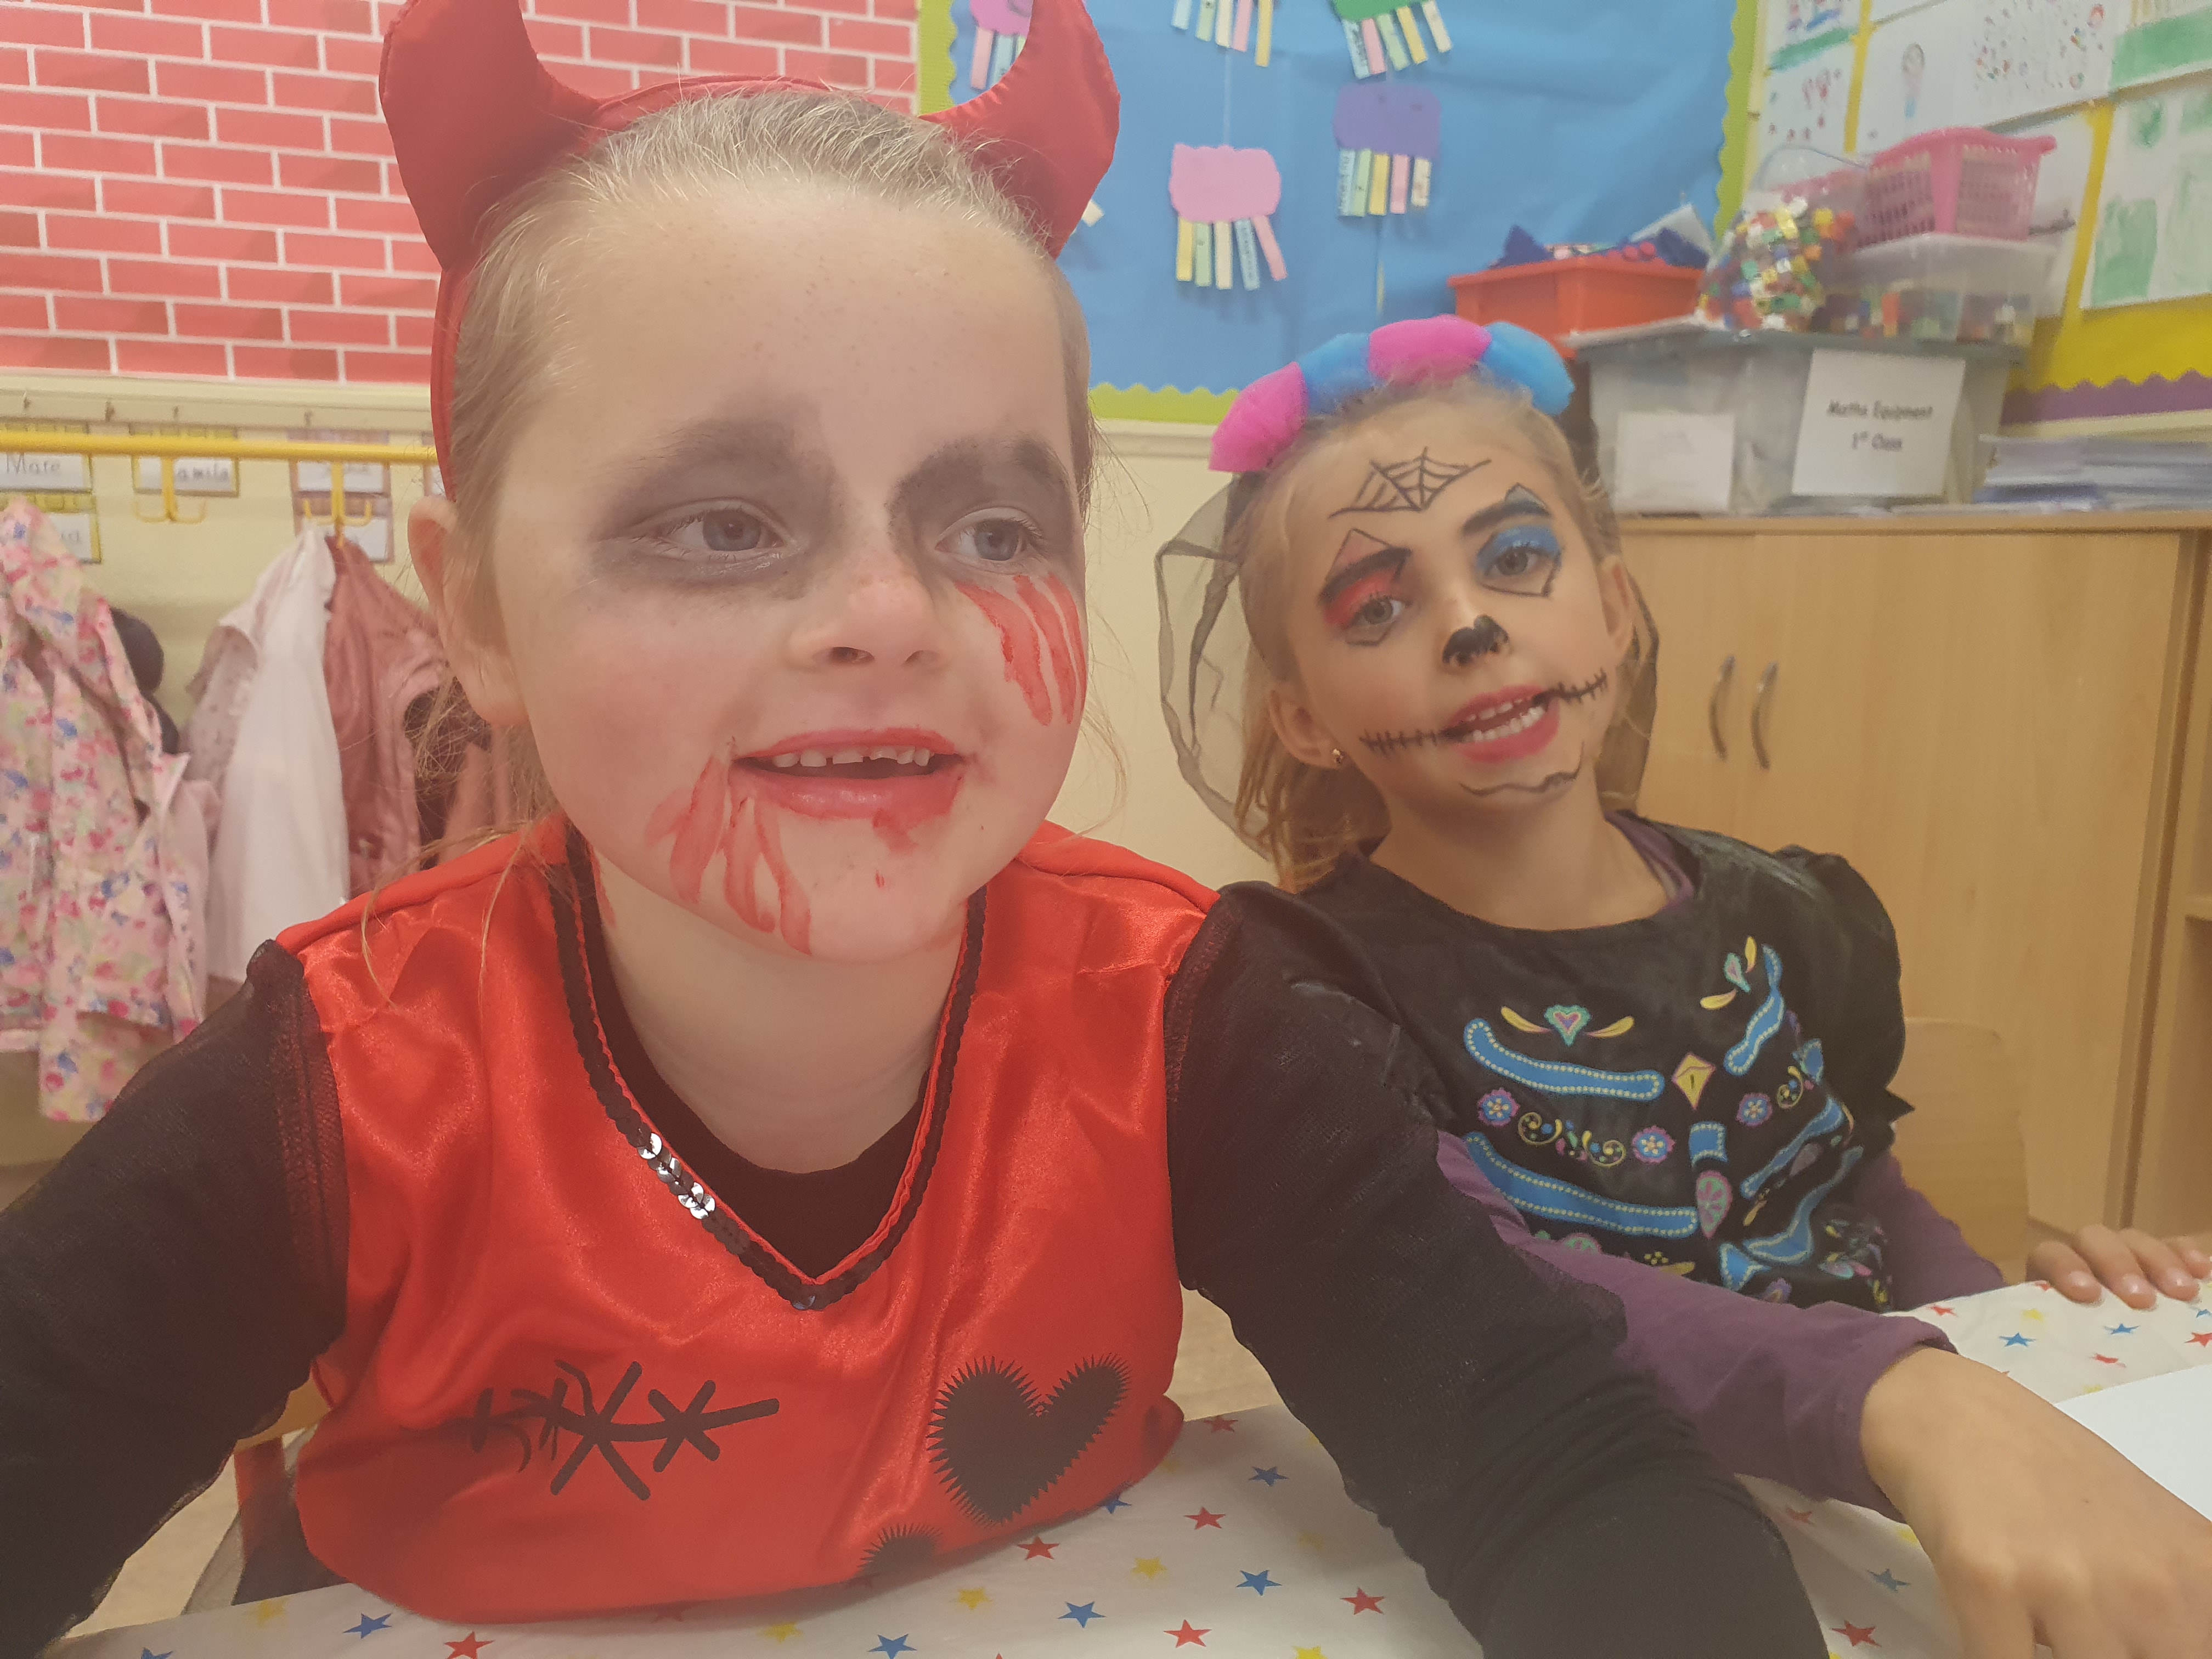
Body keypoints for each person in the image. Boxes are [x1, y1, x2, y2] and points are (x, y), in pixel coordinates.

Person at [0, 4, 1829, 1655]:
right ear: (476, 607)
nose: (889, 614)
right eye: (720, 523)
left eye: (991, 528)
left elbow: (1555, 1455)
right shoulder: (335, 1088)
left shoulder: (1187, 1020)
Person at [1159, 313, 2212, 1657]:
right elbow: (1473, 1288)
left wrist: (2018, 1349)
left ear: (1615, 605)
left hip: (1895, 1509)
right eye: (1379, 606)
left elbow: (1856, 1184)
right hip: (1599, 1550)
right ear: (1304, 716)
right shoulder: (1314, 993)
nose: (1472, 626)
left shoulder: (1791, 916)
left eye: (1515, 558)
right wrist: (1907, 1399)